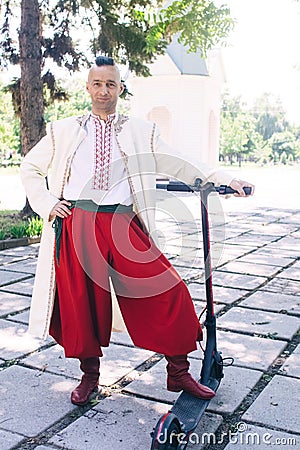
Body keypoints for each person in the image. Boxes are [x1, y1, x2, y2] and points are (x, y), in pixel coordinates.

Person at [21, 56, 254, 406]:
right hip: (77, 223)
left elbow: (180, 161)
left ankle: (178, 370)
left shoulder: (141, 131)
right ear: (87, 87)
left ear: (119, 88)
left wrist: (224, 179)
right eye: (97, 83)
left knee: (166, 288)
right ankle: (90, 376)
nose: (103, 90)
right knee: (81, 305)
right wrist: (46, 202)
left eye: (110, 84)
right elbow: (30, 167)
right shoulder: (64, 129)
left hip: (123, 223)